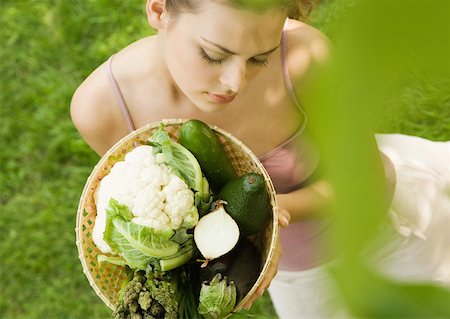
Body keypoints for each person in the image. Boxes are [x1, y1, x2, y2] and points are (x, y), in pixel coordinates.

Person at [71, 0, 450, 318]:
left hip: (388, 227)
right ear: (158, 9)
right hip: (296, 272)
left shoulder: (304, 59)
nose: (236, 81)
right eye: (213, 54)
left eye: (260, 59)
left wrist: (272, 211)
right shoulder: (103, 109)